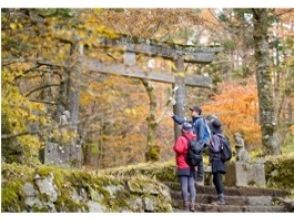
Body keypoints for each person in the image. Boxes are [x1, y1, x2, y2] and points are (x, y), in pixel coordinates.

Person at [171, 105, 210, 183]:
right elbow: (182, 121)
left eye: (193, 111)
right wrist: (174, 116)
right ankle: (194, 176)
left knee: (198, 159)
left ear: (197, 112)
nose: (192, 112)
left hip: (199, 143)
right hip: (195, 143)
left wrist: (198, 145)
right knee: (193, 158)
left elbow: (201, 135)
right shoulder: (194, 120)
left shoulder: (200, 121)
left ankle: (199, 177)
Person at [173, 122, 197, 212]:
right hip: (192, 165)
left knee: (184, 185)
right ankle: (193, 204)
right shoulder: (194, 138)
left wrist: (174, 147)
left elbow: (178, 149)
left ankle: (186, 204)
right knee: (192, 185)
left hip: (183, 164)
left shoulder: (181, 139)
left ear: (183, 130)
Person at [208, 118, 227, 205]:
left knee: (217, 179)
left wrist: (209, 145)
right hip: (220, 160)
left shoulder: (215, 137)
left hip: (216, 160)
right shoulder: (221, 136)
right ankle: (221, 197)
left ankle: (221, 199)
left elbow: (216, 149)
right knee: (216, 179)